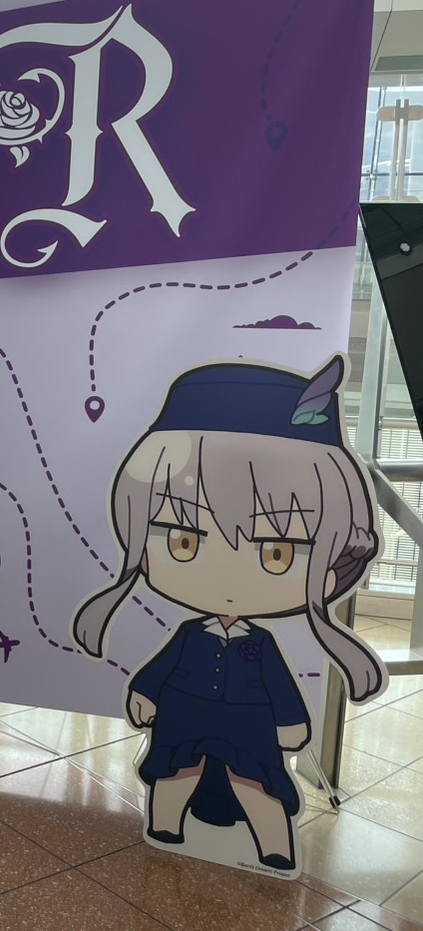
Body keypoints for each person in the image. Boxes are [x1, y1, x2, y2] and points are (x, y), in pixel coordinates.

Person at [72, 357, 385, 873]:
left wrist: (291, 722)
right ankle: (165, 826)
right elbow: (161, 667)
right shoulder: (189, 632)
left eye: (277, 552)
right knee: (175, 774)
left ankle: (274, 847)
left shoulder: (261, 642)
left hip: (248, 725)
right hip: (183, 716)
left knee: (256, 782)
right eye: (183, 539)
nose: (227, 573)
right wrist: (144, 692)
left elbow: (280, 684)